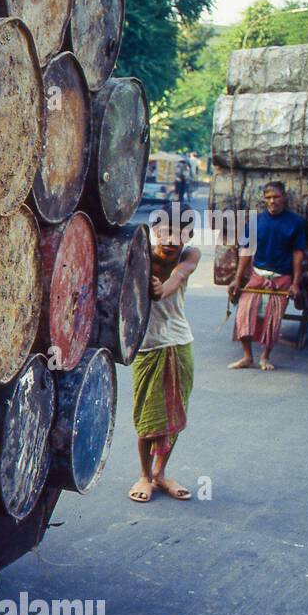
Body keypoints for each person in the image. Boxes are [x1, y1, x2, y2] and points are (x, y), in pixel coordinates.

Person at [129, 208, 200, 503]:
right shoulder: (140, 252)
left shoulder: (190, 256)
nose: (171, 239)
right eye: (165, 231)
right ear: (155, 231)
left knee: (174, 414)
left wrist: (160, 288)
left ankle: (161, 474)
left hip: (180, 343)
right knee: (147, 417)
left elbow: (177, 279)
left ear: (189, 236)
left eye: (179, 233)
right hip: (147, 346)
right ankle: (144, 475)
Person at [229, 181, 305, 371]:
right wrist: (237, 279)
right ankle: (247, 356)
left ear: (284, 198)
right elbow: (246, 250)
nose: (272, 201)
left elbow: (298, 254)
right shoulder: (255, 222)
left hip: (281, 278)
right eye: (268, 197)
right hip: (258, 276)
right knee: (243, 314)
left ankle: (265, 357)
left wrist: (295, 283)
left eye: (276, 197)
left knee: (273, 319)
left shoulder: (295, 223)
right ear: (264, 199)